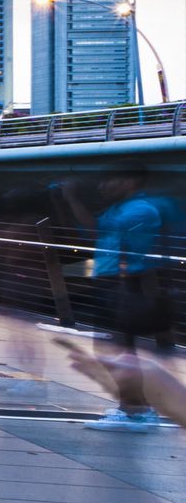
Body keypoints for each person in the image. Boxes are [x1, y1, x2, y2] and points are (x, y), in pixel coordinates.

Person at [64, 171, 176, 430]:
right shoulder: (120, 208)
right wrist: (69, 200)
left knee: (118, 350)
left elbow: (129, 250)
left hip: (124, 282)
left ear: (129, 180)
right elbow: (95, 233)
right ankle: (133, 407)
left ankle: (136, 411)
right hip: (113, 280)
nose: (102, 185)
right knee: (113, 349)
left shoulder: (139, 210)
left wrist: (72, 198)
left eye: (109, 179)